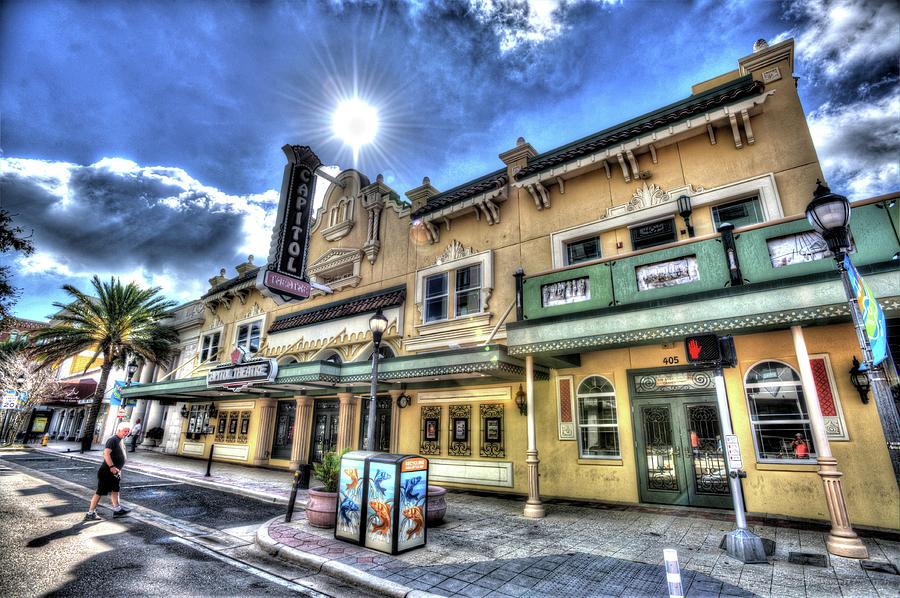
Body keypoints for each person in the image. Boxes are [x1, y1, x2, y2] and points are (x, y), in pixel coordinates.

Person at [84, 423, 131, 520]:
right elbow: (106, 454)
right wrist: (112, 467)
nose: (126, 433)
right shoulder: (112, 440)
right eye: (125, 431)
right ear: (119, 430)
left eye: (128, 431)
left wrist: (118, 470)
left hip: (115, 472)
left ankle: (117, 510)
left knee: (115, 490)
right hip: (107, 471)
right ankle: (90, 513)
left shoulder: (120, 440)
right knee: (100, 492)